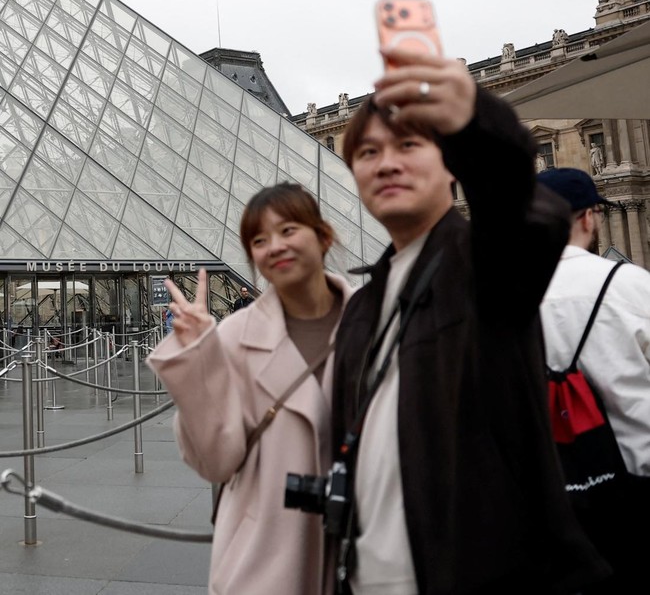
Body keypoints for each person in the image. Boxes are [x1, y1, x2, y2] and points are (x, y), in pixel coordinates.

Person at [329, 46, 610, 594]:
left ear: (452, 167)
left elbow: (529, 221)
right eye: (367, 151)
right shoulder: (363, 308)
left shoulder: (483, 268)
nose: (386, 162)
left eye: (409, 145)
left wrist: (475, 124)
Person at [147, 182, 356, 595]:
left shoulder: (374, 320)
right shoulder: (233, 336)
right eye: (259, 240)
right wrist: (199, 360)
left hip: (364, 554)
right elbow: (216, 463)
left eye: (289, 230)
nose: (274, 246)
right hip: (266, 556)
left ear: (324, 235)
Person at [537, 167, 650, 593]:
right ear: (588, 217)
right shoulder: (634, 286)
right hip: (636, 496)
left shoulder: (497, 298)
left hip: (546, 505)